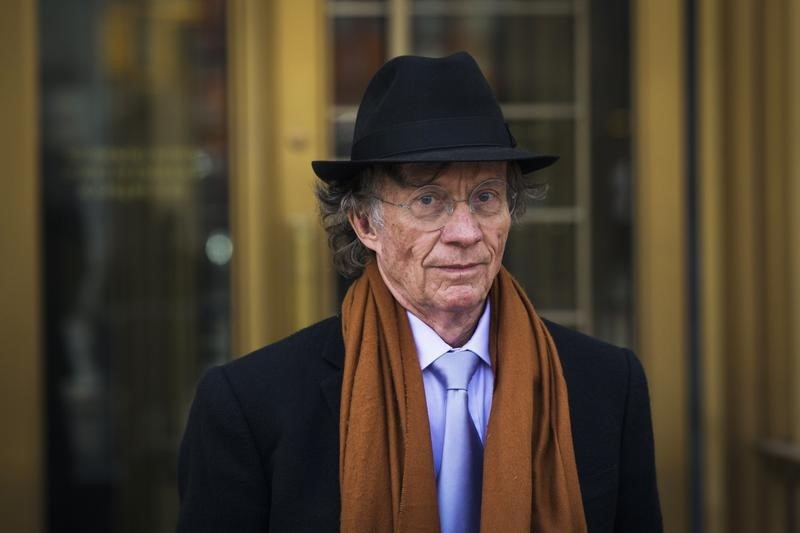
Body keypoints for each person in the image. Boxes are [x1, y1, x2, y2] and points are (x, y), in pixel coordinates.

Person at [177, 51, 662, 533]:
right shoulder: (250, 405)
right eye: (429, 200)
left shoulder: (606, 384)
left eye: (486, 196)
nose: (466, 231)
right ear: (365, 222)